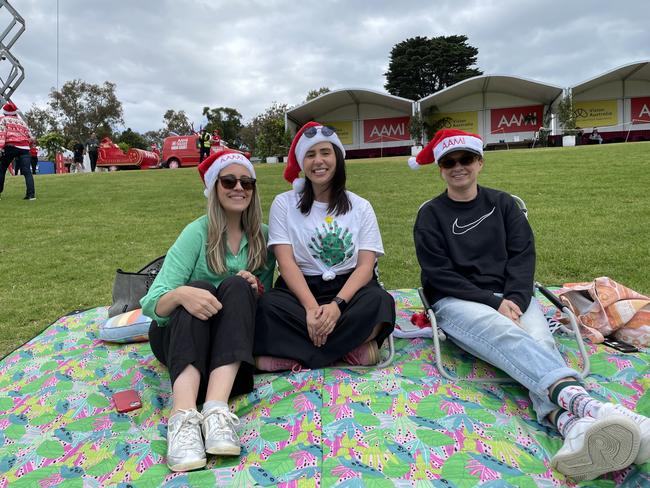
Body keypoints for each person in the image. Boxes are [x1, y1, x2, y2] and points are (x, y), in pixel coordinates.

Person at [410, 128, 649, 482]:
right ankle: (591, 405)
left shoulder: (504, 204)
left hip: (512, 295)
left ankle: (571, 425)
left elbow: (523, 258)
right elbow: (438, 274)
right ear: (440, 168)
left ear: (479, 162)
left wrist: (514, 299)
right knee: (502, 331)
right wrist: (493, 302)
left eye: (465, 160)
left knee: (540, 341)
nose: (458, 167)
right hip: (457, 300)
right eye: (449, 162)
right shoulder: (430, 215)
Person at [140, 148, 275, 472]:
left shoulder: (264, 238)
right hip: (180, 340)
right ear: (214, 188)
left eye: (247, 182)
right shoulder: (196, 233)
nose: (238, 187)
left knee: (240, 285)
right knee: (198, 288)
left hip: (227, 352)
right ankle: (184, 418)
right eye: (228, 181)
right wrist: (182, 294)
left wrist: (256, 288)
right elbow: (151, 302)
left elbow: (264, 298)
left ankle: (216, 410)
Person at [254, 121, 395, 371]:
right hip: (300, 289)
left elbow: (365, 267)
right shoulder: (284, 204)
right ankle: (348, 351)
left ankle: (295, 356)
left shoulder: (361, 206)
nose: (318, 161)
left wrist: (337, 307)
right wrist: (310, 308)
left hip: (348, 289)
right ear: (301, 162)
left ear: (338, 158)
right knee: (267, 307)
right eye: (310, 154)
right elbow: (285, 263)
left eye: (325, 152)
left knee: (379, 302)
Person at [0, 101, 36, 200]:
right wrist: (30, 145)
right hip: (24, 148)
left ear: (5, 112)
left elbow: (2, 134)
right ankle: (31, 195)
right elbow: (31, 137)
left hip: (10, 146)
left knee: (2, 169)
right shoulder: (22, 122)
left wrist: (0, 147)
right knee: (27, 171)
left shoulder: (3, 120)